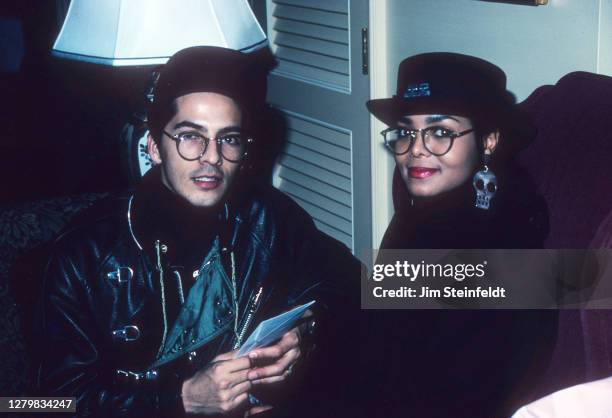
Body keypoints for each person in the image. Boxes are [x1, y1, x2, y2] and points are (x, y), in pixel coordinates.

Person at [36, 46, 359, 417]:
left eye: (229, 138)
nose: (212, 157)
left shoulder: (267, 218)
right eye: (191, 136)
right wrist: (180, 400)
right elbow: (37, 405)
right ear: (155, 148)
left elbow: (352, 282)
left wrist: (305, 331)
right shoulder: (83, 254)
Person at [362, 53, 557, 417]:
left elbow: (484, 390)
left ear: (489, 141)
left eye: (440, 132)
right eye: (406, 131)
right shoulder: (420, 215)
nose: (416, 149)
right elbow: (381, 341)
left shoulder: (509, 236)